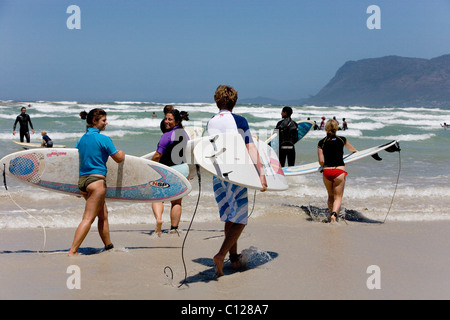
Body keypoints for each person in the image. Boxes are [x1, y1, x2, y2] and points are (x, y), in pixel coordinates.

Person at [207, 85, 267, 277]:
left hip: (217, 174)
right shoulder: (239, 120)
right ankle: (221, 255)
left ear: (217, 101)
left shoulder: (211, 122)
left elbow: (210, 148)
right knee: (240, 219)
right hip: (236, 173)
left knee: (229, 216)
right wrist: (262, 174)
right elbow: (249, 147)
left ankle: (233, 260)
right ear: (234, 101)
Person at [68, 108, 125, 256]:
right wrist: (122, 153)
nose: (106, 123)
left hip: (83, 182)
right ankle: (73, 251)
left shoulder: (81, 139)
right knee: (88, 218)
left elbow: (77, 159)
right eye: (104, 120)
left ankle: (108, 246)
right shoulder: (104, 139)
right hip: (97, 182)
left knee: (103, 214)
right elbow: (118, 158)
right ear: (95, 121)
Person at [151, 109, 189, 236]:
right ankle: (174, 228)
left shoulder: (167, 135)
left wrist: (149, 167)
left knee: (158, 197)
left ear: (177, 121)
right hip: (183, 169)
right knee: (176, 202)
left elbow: (157, 155)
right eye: (166, 119)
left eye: (170, 119)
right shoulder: (184, 133)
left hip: (168, 170)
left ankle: (159, 220)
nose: (166, 121)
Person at [318, 119, 357, 223]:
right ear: (336, 128)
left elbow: (321, 161)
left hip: (326, 172)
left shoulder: (321, 142)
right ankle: (334, 215)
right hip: (339, 171)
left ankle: (331, 214)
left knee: (330, 196)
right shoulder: (342, 139)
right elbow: (353, 150)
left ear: (326, 128)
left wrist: (323, 166)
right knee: (338, 197)